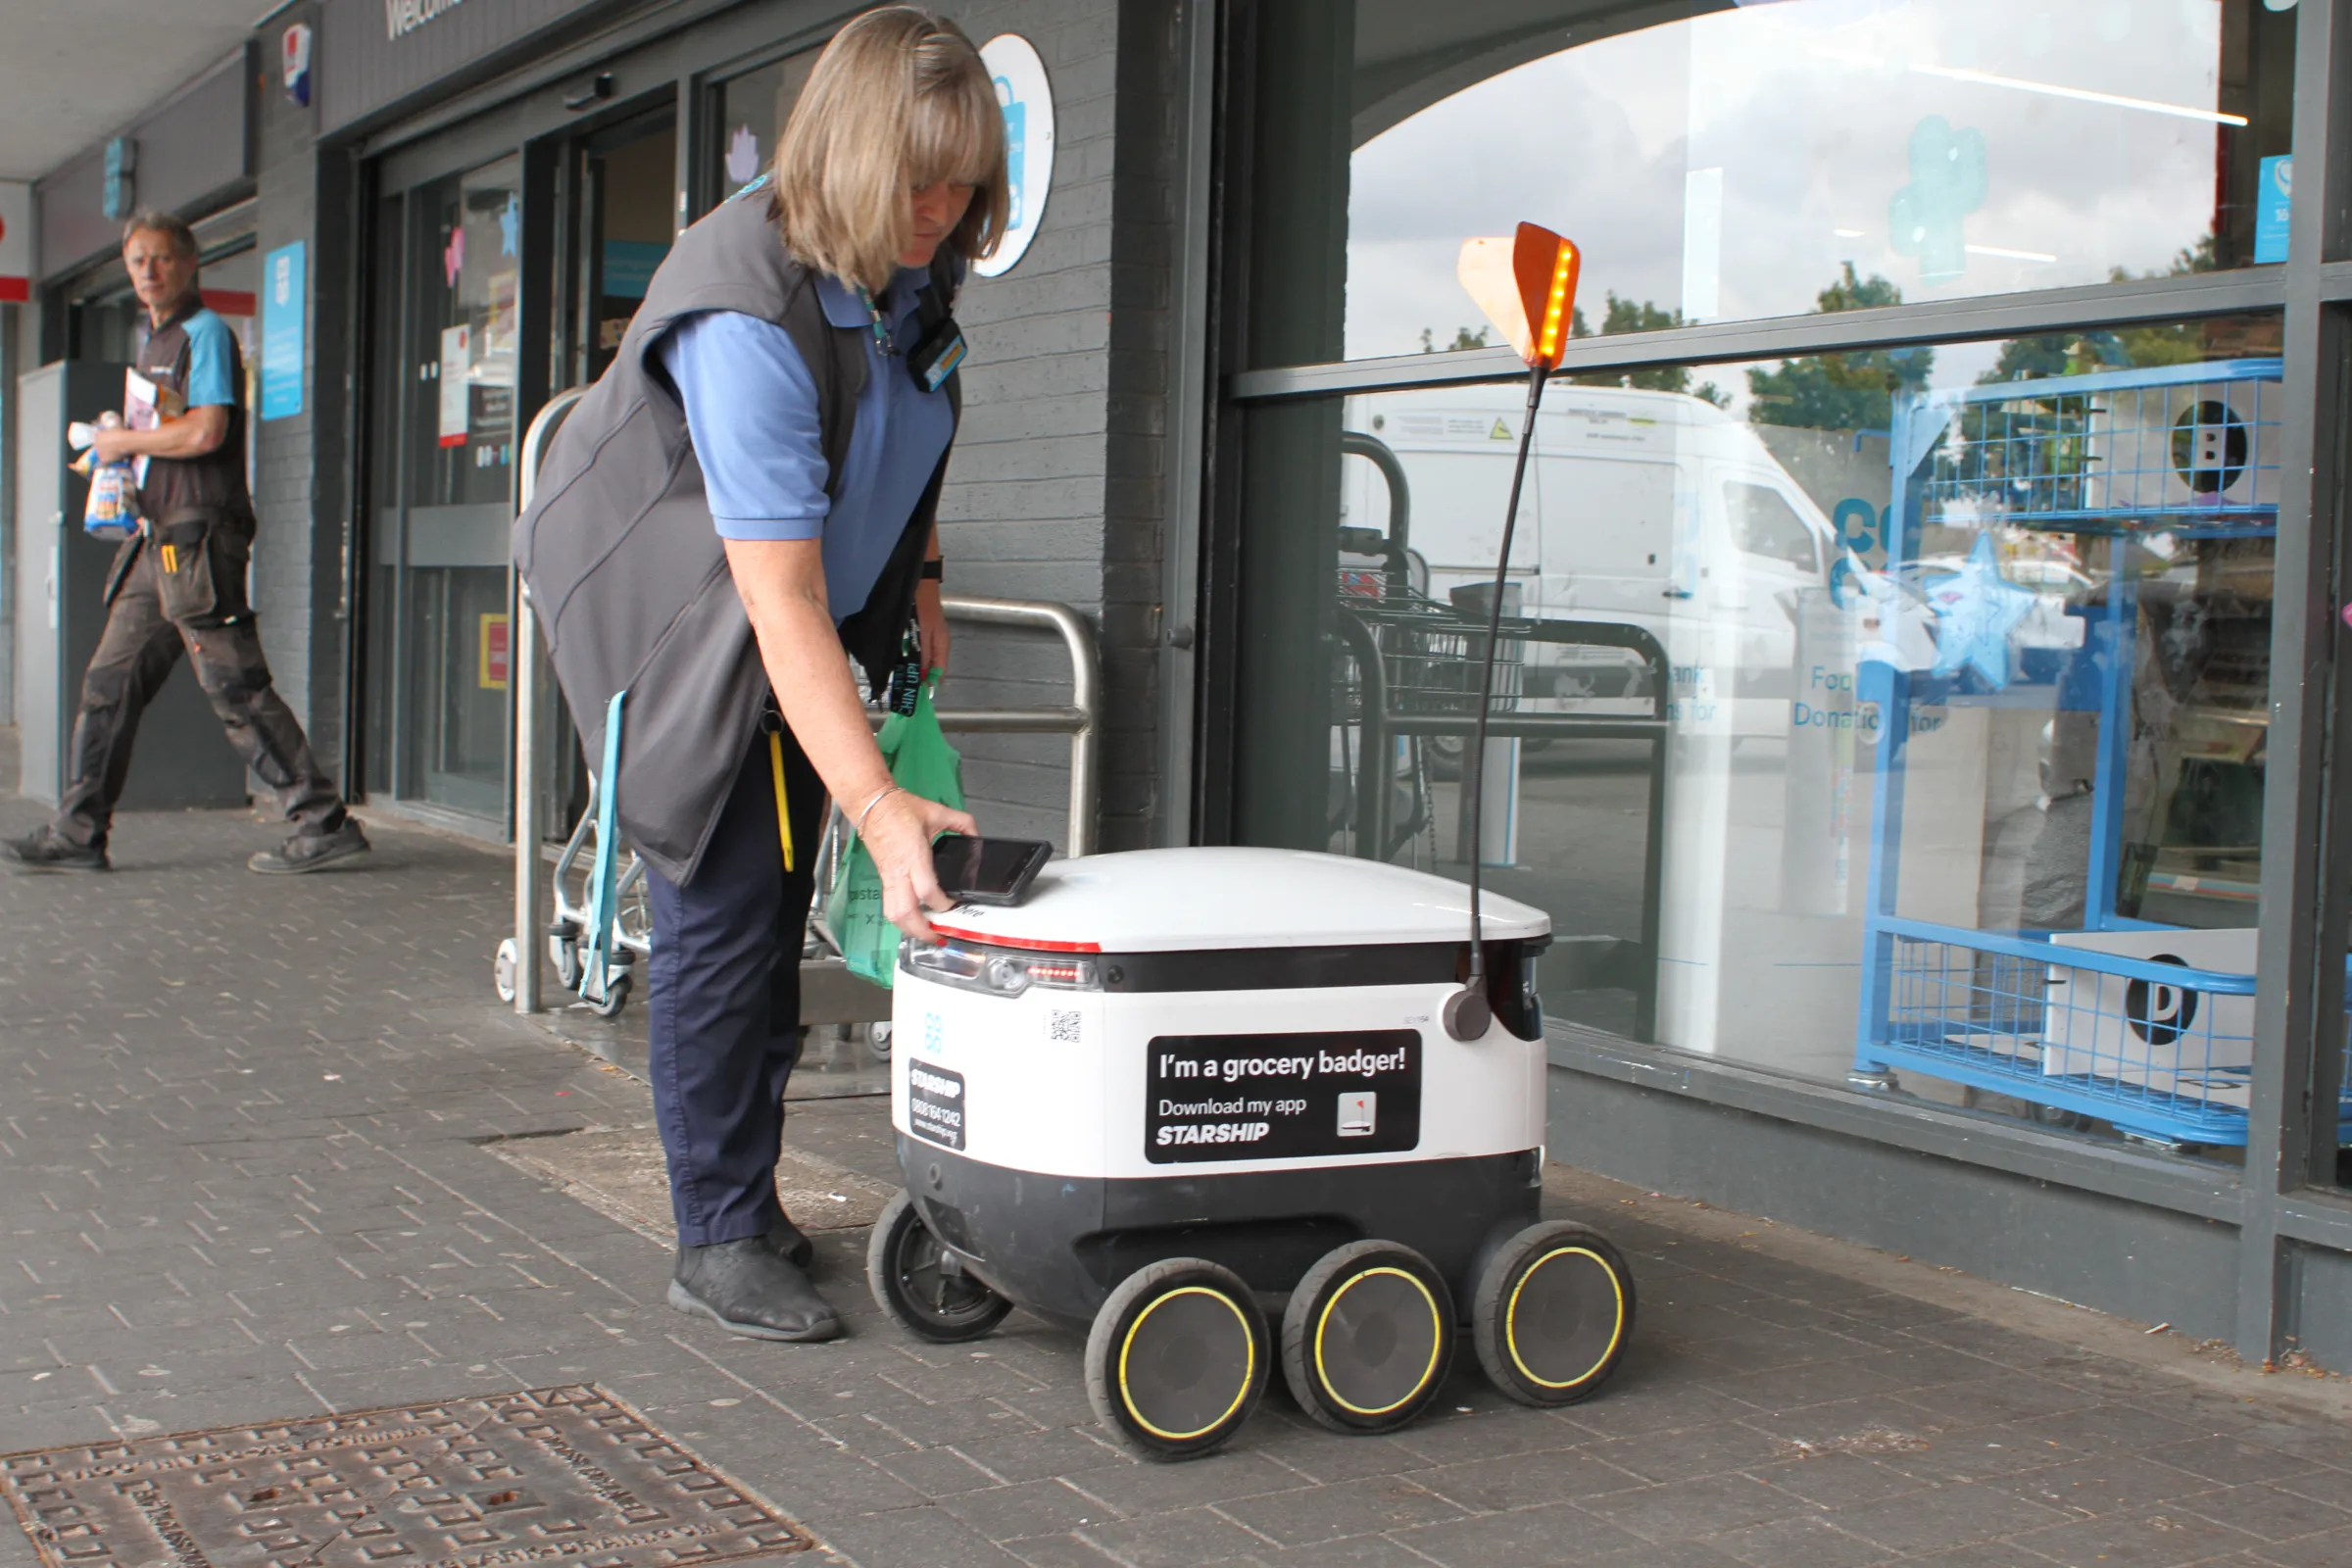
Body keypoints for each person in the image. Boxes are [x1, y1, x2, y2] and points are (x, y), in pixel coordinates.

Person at [515, 6, 1005, 1343]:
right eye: (919, 178)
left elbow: (895, 434)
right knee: (725, 906)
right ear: (847, 155)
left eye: (965, 179)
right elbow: (773, 592)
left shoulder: (908, 280)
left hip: (793, 613)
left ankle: (748, 1196)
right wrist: (878, 803)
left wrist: (920, 585)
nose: (943, 206)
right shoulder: (746, 302)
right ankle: (715, 1233)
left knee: (777, 889)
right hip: (680, 616)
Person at [5, 213, 368, 876]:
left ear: (189, 263)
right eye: (137, 261)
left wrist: (122, 442)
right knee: (107, 686)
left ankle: (321, 822)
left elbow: (205, 432)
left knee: (235, 685)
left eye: (161, 259)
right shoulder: (155, 340)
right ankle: (78, 831)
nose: (148, 272)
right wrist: (121, 441)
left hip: (198, 540)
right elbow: (168, 433)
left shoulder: (205, 334)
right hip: (157, 542)